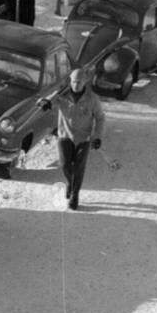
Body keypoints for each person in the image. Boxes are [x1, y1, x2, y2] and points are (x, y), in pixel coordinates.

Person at [41, 67, 107, 209]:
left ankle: (75, 195)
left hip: (83, 138)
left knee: (78, 168)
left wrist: (97, 137)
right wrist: (45, 102)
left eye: (79, 82)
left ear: (85, 82)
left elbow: (100, 118)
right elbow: (49, 99)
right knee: (65, 164)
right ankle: (71, 183)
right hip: (65, 135)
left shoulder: (92, 99)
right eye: (74, 81)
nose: (76, 85)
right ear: (70, 81)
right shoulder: (62, 95)